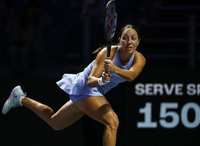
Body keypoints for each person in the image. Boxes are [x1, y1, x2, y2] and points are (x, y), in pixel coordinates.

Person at [2, 24, 146, 146]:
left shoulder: (139, 58)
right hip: (85, 86)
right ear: (120, 40)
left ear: (138, 42)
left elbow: (131, 76)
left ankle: (20, 98)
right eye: (125, 38)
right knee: (112, 122)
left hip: (95, 93)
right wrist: (101, 80)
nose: (129, 42)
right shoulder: (107, 53)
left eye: (133, 38)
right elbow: (91, 81)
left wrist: (114, 70)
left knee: (55, 123)